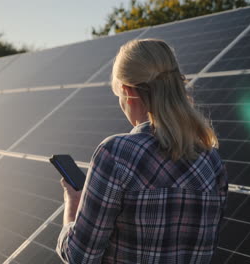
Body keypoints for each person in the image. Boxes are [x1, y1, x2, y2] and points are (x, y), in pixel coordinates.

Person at [56, 38, 228, 264]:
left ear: (128, 91)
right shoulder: (211, 159)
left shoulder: (116, 154)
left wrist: (72, 208)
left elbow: (80, 257)